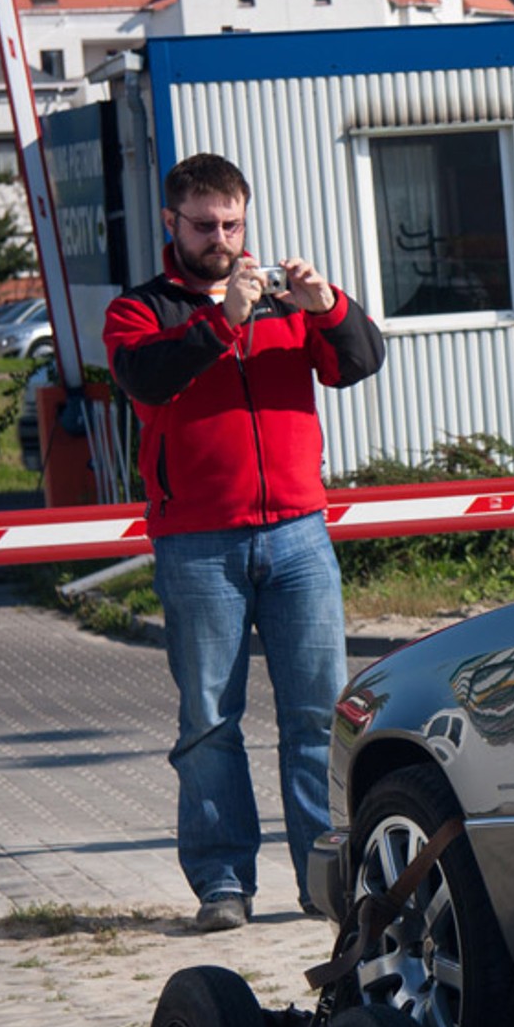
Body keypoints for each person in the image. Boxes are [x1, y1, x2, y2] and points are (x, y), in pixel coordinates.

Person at [105, 153, 386, 932]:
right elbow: (147, 380)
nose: (220, 239)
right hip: (198, 545)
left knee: (317, 719)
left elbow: (360, 361)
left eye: (232, 223)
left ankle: (326, 882)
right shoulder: (141, 309)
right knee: (208, 722)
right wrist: (221, 319)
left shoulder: (283, 301)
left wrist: (329, 307)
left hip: (298, 536)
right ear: (172, 223)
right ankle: (223, 885)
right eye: (204, 226)